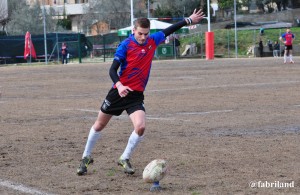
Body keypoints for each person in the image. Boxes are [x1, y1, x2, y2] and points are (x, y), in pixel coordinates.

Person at [76, 9, 205, 176]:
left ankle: (125, 157)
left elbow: (170, 30)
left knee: (141, 127)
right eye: (140, 34)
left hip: (136, 95)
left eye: (146, 33)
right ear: (133, 31)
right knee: (99, 125)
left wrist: (189, 20)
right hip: (118, 92)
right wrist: (120, 86)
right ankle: (85, 157)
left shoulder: (153, 40)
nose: (143, 37)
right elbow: (112, 70)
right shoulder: (125, 45)